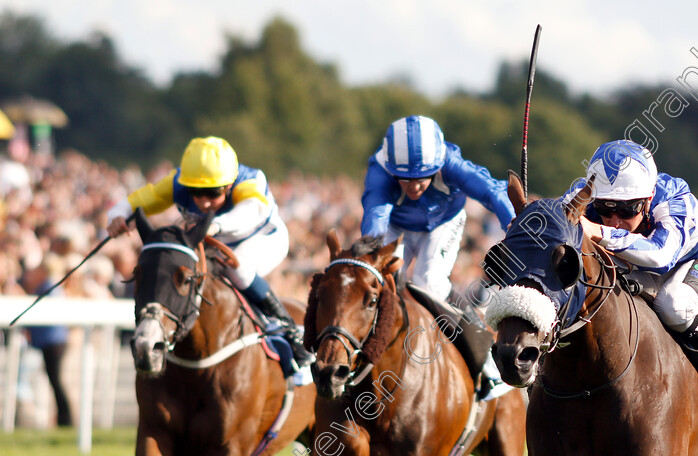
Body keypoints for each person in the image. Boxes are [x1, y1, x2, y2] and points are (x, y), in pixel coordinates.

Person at [576, 140, 698, 420]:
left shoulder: (673, 202)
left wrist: (598, 230)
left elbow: (661, 257)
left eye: (626, 210)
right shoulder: (582, 194)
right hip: (640, 258)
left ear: (648, 198)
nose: (613, 220)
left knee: (674, 305)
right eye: (604, 208)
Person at [106, 136, 314, 367]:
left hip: (263, 239)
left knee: (238, 266)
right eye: (196, 192)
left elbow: (250, 210)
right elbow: (141, 199)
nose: (204, 202)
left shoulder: (250, 180)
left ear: (228, 184)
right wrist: (117, 215)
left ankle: (289, 329)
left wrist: (215, 225)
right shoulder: (178, 181)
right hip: (211, 241)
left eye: (213, 193)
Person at [361, 115, 515, 304]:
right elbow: (375, 217)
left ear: (436, 168)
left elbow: (493, 192)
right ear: (392, 171)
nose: (414, 187)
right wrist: (371, 255)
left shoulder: (450, 163)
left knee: (429, 284)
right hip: (397, 227)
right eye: (406, 179)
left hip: (443, 223)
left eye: (422, 178)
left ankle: (474, 329)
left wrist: (515, 228)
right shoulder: (380, 171)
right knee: (381, 280)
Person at [21, 255, 72, 427]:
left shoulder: (49, 286)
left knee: (55, 380)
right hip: (53, 340)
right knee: (54, 380)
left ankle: (65, 419)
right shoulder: (51, 286)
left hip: (53, 340)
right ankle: (63, 418)